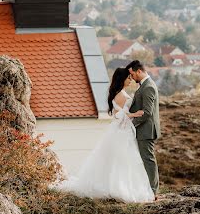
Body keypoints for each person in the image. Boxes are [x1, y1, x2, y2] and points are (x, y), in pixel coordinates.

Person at [56, 67, 155, 203]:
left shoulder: (119, 93)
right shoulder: (121, 95)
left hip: (122, 130)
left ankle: (119, 185)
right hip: (121, 131)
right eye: (128, 78)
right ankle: (118, 187)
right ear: (122, 79)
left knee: (120, 160)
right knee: (122, 160)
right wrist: (134, 114)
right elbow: (118, 115)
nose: (130, 80)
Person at [126, 60, 161, 199]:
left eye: (133, 74)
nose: (132, 77)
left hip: (146, 130)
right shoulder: (144, 86)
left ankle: (153, 192)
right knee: (145, 159)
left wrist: (132, 123)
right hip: (143, 130)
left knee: (148, 160)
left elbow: (147, 112)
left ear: (139, 71)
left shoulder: (148, 87)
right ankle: (149, 189)